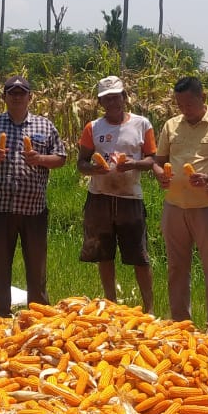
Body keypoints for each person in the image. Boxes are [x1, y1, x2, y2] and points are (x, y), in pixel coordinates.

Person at [0, 75, 68, 318]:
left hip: (33, 208)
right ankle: (1, 311)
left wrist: (40, 159)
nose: (16, 97)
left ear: (30, 97)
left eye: (21, 93)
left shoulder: (44, 126)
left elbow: (61, 158)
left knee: (36, 265)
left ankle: (38, 312)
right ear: (4, 97)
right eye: (11, 93)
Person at [153, 76, 208, 331]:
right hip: (174, 205)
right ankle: (181, 323)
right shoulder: (171, 125)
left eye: (189, 104)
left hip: (207, 207)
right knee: (176, 267)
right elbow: (158, 161)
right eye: (180, 105)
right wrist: (160, 174)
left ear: (203, 98)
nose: (185, 110)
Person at [76, 75, 157, 313]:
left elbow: (152, 160)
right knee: (104, 254)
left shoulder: (142, 124)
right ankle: (111, 303)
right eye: (107, 99)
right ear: (100, 102)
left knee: (139, 256)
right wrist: (93, 169)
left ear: (124, 97)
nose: (112, 103)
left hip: (130, 198)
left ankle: (149, 309)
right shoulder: (93, 128)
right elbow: (81, 162)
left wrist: (133, 164)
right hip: (99, 197)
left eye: (116, 97)